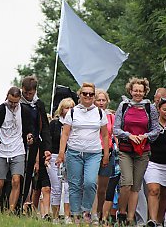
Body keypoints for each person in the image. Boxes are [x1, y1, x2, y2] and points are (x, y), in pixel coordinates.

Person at [56, 82, 109, 224]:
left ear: (94, 96)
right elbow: (65, 134)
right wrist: (61, 154)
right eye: (84, 93)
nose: (88, 96)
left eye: (91, 94)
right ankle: (75, 215)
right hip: (74, 152)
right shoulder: (73, 112)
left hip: (93, 153)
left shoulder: (99, 113)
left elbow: (105, 135)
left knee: (90, 182)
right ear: (79, 95)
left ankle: (86, 210)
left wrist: (106, 153)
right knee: (75, 184)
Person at [114, 77, 159, 225]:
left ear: (145, 92)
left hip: (142, 151)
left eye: (140, 91)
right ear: (130, 91)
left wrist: (144, 136)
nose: (138, 93)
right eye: (135, 90)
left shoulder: (149, 107)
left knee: (136, 186)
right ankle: (121, 212)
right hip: (126, 149)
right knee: (126, 182)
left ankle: (130, 218)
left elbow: (156, 130)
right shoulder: (124, 105)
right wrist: (129, 135)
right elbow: (116, 128)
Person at [0, 86, 33, 212]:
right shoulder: (0, 110)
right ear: (7, 97)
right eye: (10, 101)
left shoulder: (24, 111)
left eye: (15, 102)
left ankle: (11, 210)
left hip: (18, 148)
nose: (13, 104)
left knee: (16, 180)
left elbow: (29, 128)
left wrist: (29, 135)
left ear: (19, 99)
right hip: (2, 149)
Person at [20, 76, 52, 212]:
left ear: (35, 91)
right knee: (16, 175)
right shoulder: (16, 102)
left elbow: (44, 126)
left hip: (34, 143)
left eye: (30, 93)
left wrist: (47, 147)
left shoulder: (38, 104)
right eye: (25, 92)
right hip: (17, 142)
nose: (27, 96)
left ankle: (22, 205)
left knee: (28, 176)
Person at [144, 98, 166, 226]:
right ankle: (153, 220)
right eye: (165, 109)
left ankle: (160, 221)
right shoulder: (152, 124)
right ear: (159, 110)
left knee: (165, 193)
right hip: (153, 162)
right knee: (153, 190)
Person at [47, 97, 75, 224]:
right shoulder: (54, 124)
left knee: (69, 187)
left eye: (71, 107)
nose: (69, 110)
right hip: (54, 156)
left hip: (71, 156)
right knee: (56, 187)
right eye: (66, 107)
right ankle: (55, 217)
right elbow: (48, 140)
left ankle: (68, 216)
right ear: (61, 109)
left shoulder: (76, 124)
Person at [91, 89, 116, 225]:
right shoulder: (90, 116)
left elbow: (113, 134)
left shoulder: (111, 116)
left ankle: (100, 213)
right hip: (94, 151)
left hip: (108, 152)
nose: (101, 103)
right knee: (92, 184)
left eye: (103, 100)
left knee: (103, 188)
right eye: (98, 100)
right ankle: (92, 213)